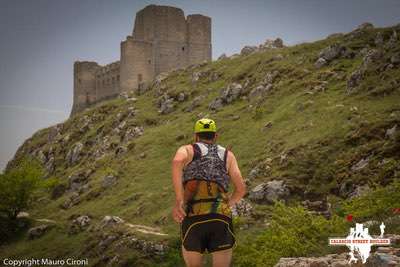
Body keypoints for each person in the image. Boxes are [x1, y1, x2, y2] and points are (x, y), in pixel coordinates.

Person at [171, 118, 247, 267]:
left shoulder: (188, 149)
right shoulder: (228, 155)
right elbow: (241, 189)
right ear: (215, 136)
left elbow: (177, 162)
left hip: (193, 216)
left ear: (196, 136)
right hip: (220, 216)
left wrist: (179, 200)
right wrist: (226, 204)